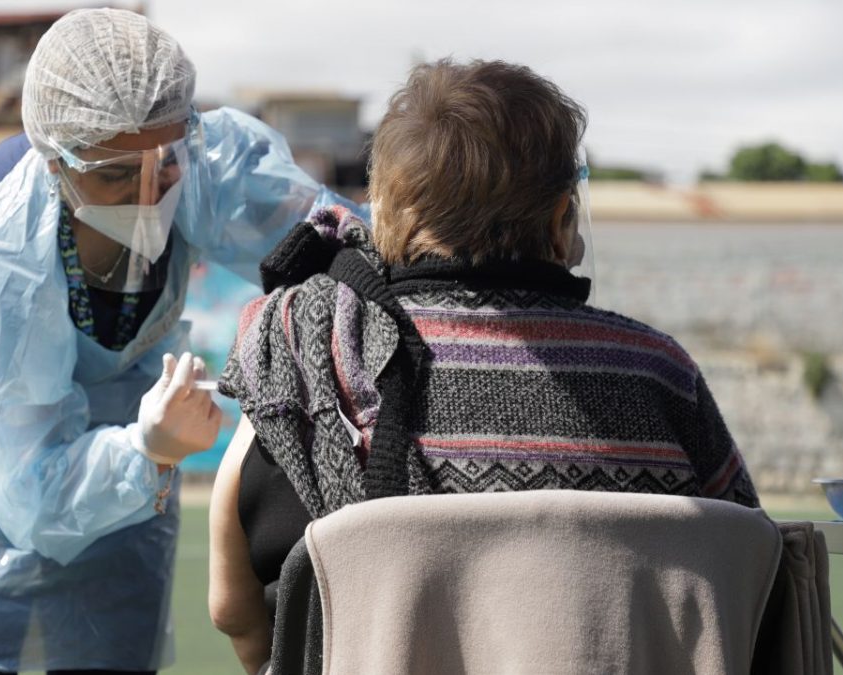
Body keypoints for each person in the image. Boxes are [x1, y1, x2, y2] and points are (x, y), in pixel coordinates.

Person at [0, 9, 362, 675]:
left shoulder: (201, 158)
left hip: (124, 481)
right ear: (54, 161)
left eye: (168, 161)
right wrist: (143, 448)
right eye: (118, 174)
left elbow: (336, 248)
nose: (152, 190)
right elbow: (28, 492)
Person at [208, 58, 759, 674]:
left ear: (384, 216)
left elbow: (235, 610)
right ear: (559, 220)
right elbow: (751, 568)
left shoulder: (307, 363)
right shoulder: (659, 376)